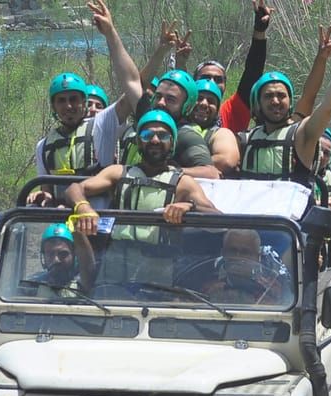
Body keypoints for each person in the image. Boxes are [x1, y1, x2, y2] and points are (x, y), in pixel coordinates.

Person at [28, 0, 143, 206]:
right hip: (64, 219)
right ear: (54, 106)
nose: (68, 106)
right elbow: (47, 191)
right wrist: (41, 196)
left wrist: (110, 33)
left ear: (84, 102)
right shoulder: (44, 146)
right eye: (61, 101)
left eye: (74, 99)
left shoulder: (102, 124)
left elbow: (134, 87)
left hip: (101, 215)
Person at [64, 110, 220, 233]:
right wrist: (83, 206)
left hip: (159, 269)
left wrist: (190, 208)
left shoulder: (184, 183)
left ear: (172, 143)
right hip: (116, 265)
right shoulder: (117, 173)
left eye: (163, 135)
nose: (155, 140)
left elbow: (218, 219)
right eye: (147, 135)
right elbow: (74, 189)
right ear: (138, 141)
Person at [237, 42, 331, 190]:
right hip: (251, 212)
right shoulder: (245, 140)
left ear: (290, 101)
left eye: (281, 95)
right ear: (258, 103)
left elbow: (327, 107)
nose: (275, 101)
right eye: (268, 96)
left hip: (291, 212)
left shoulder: (302, 134)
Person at [191, 0, 274, 134]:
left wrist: (259, 30)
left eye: (218, 80)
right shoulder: (181, 113)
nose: (211, 82)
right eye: (205, 77)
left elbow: (253, 71)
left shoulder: (233, 112)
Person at [141, 69, 220, 179]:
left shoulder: (185, 134)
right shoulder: (146, 122)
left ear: (187, 107)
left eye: (170, 100)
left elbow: (212, 173)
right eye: (158, 96)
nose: (161, 103)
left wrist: (169, 171)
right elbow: (133, 82)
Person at [199, 229, 290, 305]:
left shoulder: (272, 288)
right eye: (232, 251)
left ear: (257, 257)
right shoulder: (209, 288)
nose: (238, 257)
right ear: (223, 254)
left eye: (245, 252)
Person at [26, 222, 97, 295]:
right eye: (50, 254)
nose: (56, 260)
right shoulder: (33, 287)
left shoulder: (83, 284)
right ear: (43, 256)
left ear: (74, 255)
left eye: (63, 254)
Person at [190, 79, 240, 176]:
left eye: (211, 101)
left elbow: (227, 161)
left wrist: (179, 168)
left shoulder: (221, 133)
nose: (204, 103)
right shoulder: (175, 127)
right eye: (199, 98)